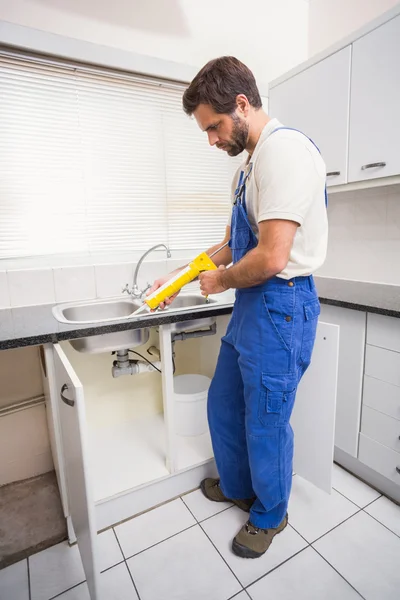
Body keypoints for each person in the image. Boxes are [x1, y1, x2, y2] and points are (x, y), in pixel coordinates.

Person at [149, 56, 328, 559]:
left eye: (214, 127)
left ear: (242, 105)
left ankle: (271, 512)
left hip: (282, 303)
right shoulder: (248, 170)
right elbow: (231, 244)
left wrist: (219, 281)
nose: (211, 140)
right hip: (252, 305)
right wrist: (181, 277)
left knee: (267, 419)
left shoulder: (285, 154)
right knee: (224, 403)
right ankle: (238, 485)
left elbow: (271, 257)